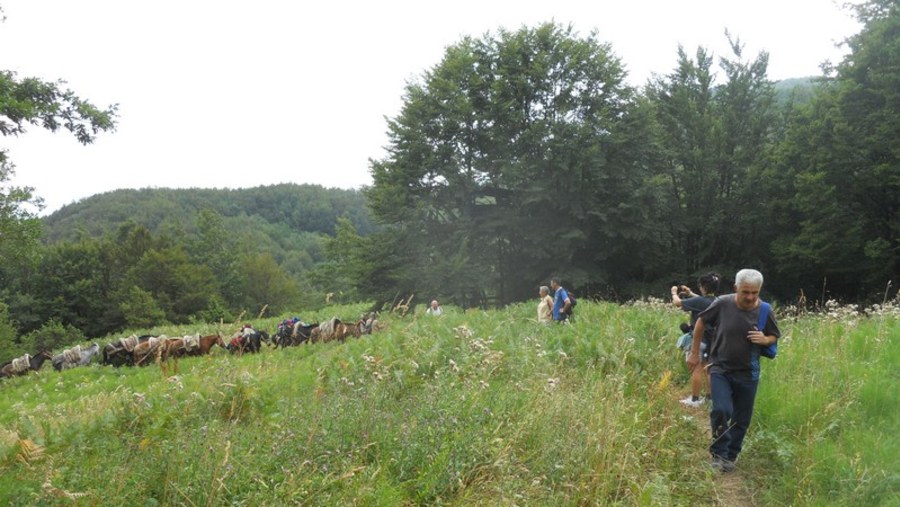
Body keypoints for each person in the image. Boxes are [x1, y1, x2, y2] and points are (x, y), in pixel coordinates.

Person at [688, 269, 781, 473]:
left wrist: (765, 339)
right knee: (721, 409)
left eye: (754, 293)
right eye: (745, 292)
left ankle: (730, 456)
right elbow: (701, 323)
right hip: (721, 367)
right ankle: (718, 454)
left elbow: (774, 335)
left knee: (741, 418)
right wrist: (694, 353)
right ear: (736, 288)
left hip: (749, 372)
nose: (750, 297)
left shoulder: (765, 310)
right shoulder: (722, 303)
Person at [671, 272, 720, 407]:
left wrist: (674, 292)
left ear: (703, 286)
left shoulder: (700, 302)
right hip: (712, 340)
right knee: (708, 369)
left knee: (696, 369)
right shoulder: (717, 301)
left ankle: (695, 399)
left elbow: (677, 303)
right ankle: (710, 398)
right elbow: (702, 300)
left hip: (699, 340)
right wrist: (690, 293)